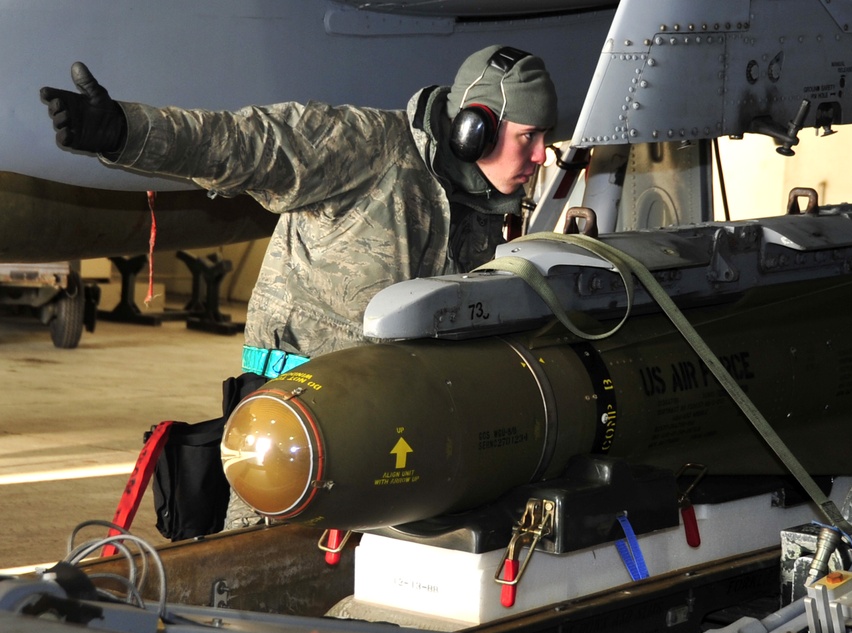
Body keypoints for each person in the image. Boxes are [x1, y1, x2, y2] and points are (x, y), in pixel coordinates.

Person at [39, 45, 557, 533]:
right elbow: (244, 142)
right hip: (297, 437)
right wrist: (126, 133)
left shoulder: (479, 205)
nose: (539, 156)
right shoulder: (367, 148)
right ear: (475, 128)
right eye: (528, 137)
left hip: (397, 444)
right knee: (268, 588)